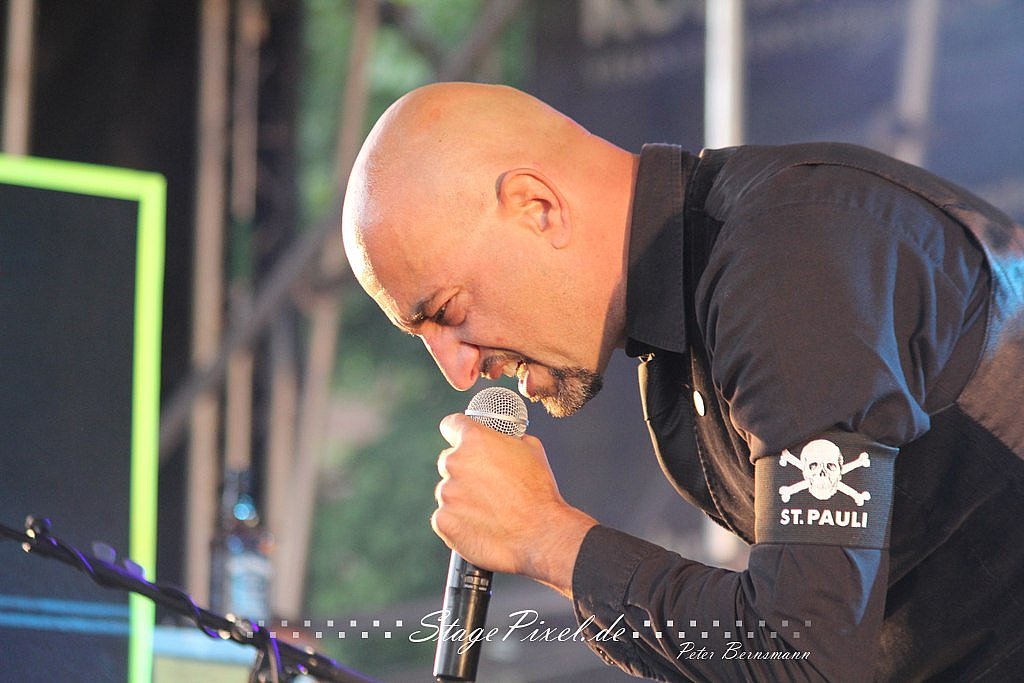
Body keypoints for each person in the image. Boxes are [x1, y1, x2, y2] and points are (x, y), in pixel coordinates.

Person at [341, 81, 1024, 681]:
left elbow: (803, 656)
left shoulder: (782, 260)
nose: (458, 369)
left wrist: (546, 537)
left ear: (537, 206)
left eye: (447, 312)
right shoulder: (677, 363)